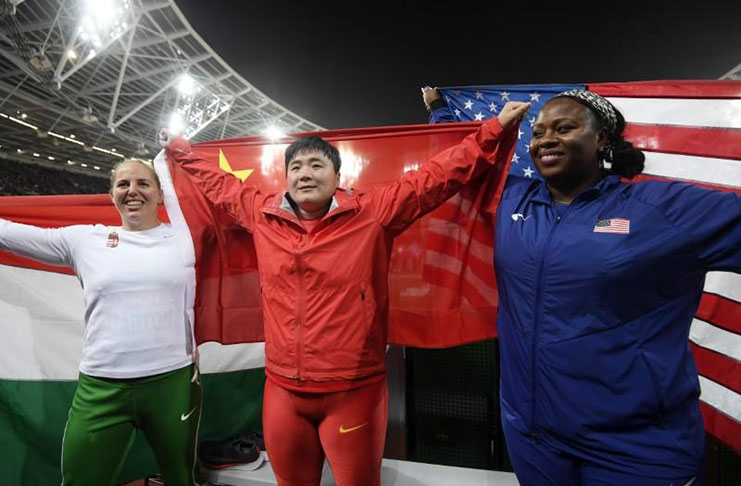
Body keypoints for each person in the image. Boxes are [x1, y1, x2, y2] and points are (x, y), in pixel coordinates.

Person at [159, 100, 530, 486]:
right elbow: (220, 186)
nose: (305, 174)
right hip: (283, 392)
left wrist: (494, 131)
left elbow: (436, 178)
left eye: (317, 165)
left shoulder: (374, 212)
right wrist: (181, 151)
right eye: (296, 167)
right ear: (285, 178)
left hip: (354, 394)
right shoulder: (261, 214)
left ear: (337, 176)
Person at [492, 90, 740, 485]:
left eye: (564, 128)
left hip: (636, 448)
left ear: (601, 139)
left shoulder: (661, 209)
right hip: (533, 438)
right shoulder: (510, 200)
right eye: (537, 133)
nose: (545, 140)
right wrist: (439, 112)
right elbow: (460, 167)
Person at [0, 159, 201, 486]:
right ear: (111, 195)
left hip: (172, 383)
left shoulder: (187, 239)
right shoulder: (84, 240)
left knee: (181, 478)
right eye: (123, 185)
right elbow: (7, 234)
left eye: (143, 183)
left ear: (161, 194)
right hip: (102, 387)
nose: (132, 191)